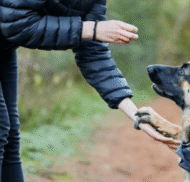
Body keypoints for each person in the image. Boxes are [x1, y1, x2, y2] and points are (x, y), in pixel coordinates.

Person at [0, 0, 180, 181]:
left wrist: (137, 115)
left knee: (10, 136)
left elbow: (93, 52)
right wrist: (91, 29)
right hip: (6, 36)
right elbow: (16, 23)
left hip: (5, 47)